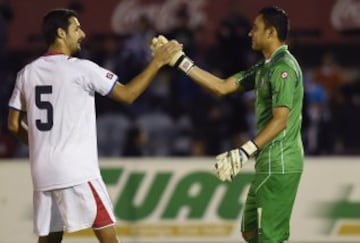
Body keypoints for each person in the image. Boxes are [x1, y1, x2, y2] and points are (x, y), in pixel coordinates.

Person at [7, 8, 181, 243]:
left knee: (50, 240)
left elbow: (13, 124)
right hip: (76, 171)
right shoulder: (82, 69)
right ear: (61, 33)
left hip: (43, 172)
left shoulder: (27, 73)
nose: (83, 33)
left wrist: (39, 145)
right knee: (109, 238)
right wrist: (157, 62)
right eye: (76, 28)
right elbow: (128, 94)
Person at [152, 6, 303, 243]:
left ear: (271, 32)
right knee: (250, 232)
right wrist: (179, 61)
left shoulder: (282, 67)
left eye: (255, 28)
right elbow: (222, 87)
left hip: (281, 161)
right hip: (268, 161)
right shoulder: (266, 66)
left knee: (270, 238)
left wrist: (244, 151)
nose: (250, 33)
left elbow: (281, 120)